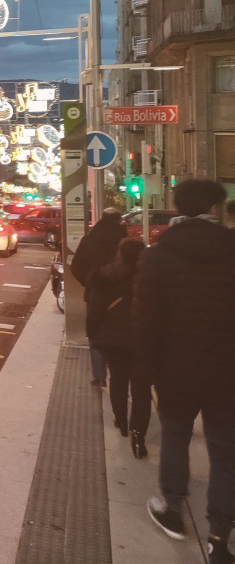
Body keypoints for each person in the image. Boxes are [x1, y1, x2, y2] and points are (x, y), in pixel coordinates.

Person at [135, 179, 235, 564]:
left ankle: (172, 509)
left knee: (175, 437)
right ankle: (220, 535)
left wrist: (144, 376)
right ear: (217, 208)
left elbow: (146, 324)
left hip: (175, 369)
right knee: (226, 451)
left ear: (177, 209)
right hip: (228, 371)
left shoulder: (157, 255)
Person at [88, 237, 152, 458]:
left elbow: (95, 310)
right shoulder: (152, 278)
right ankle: (138, 436)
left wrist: (93, 333)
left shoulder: (107, 275)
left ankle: (121, 420)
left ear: (120, 254)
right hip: (144, 340)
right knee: (142, 389)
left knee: (118, 379)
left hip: (114, 339)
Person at [70, 208, 128, 387]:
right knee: (123, 332)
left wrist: (88, 282)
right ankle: (119, 373)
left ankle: (99, 376)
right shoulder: (125, 241)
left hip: (96, 293)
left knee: (95, 332)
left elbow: (76, 266)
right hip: (122, 295)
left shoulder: (90, 240)